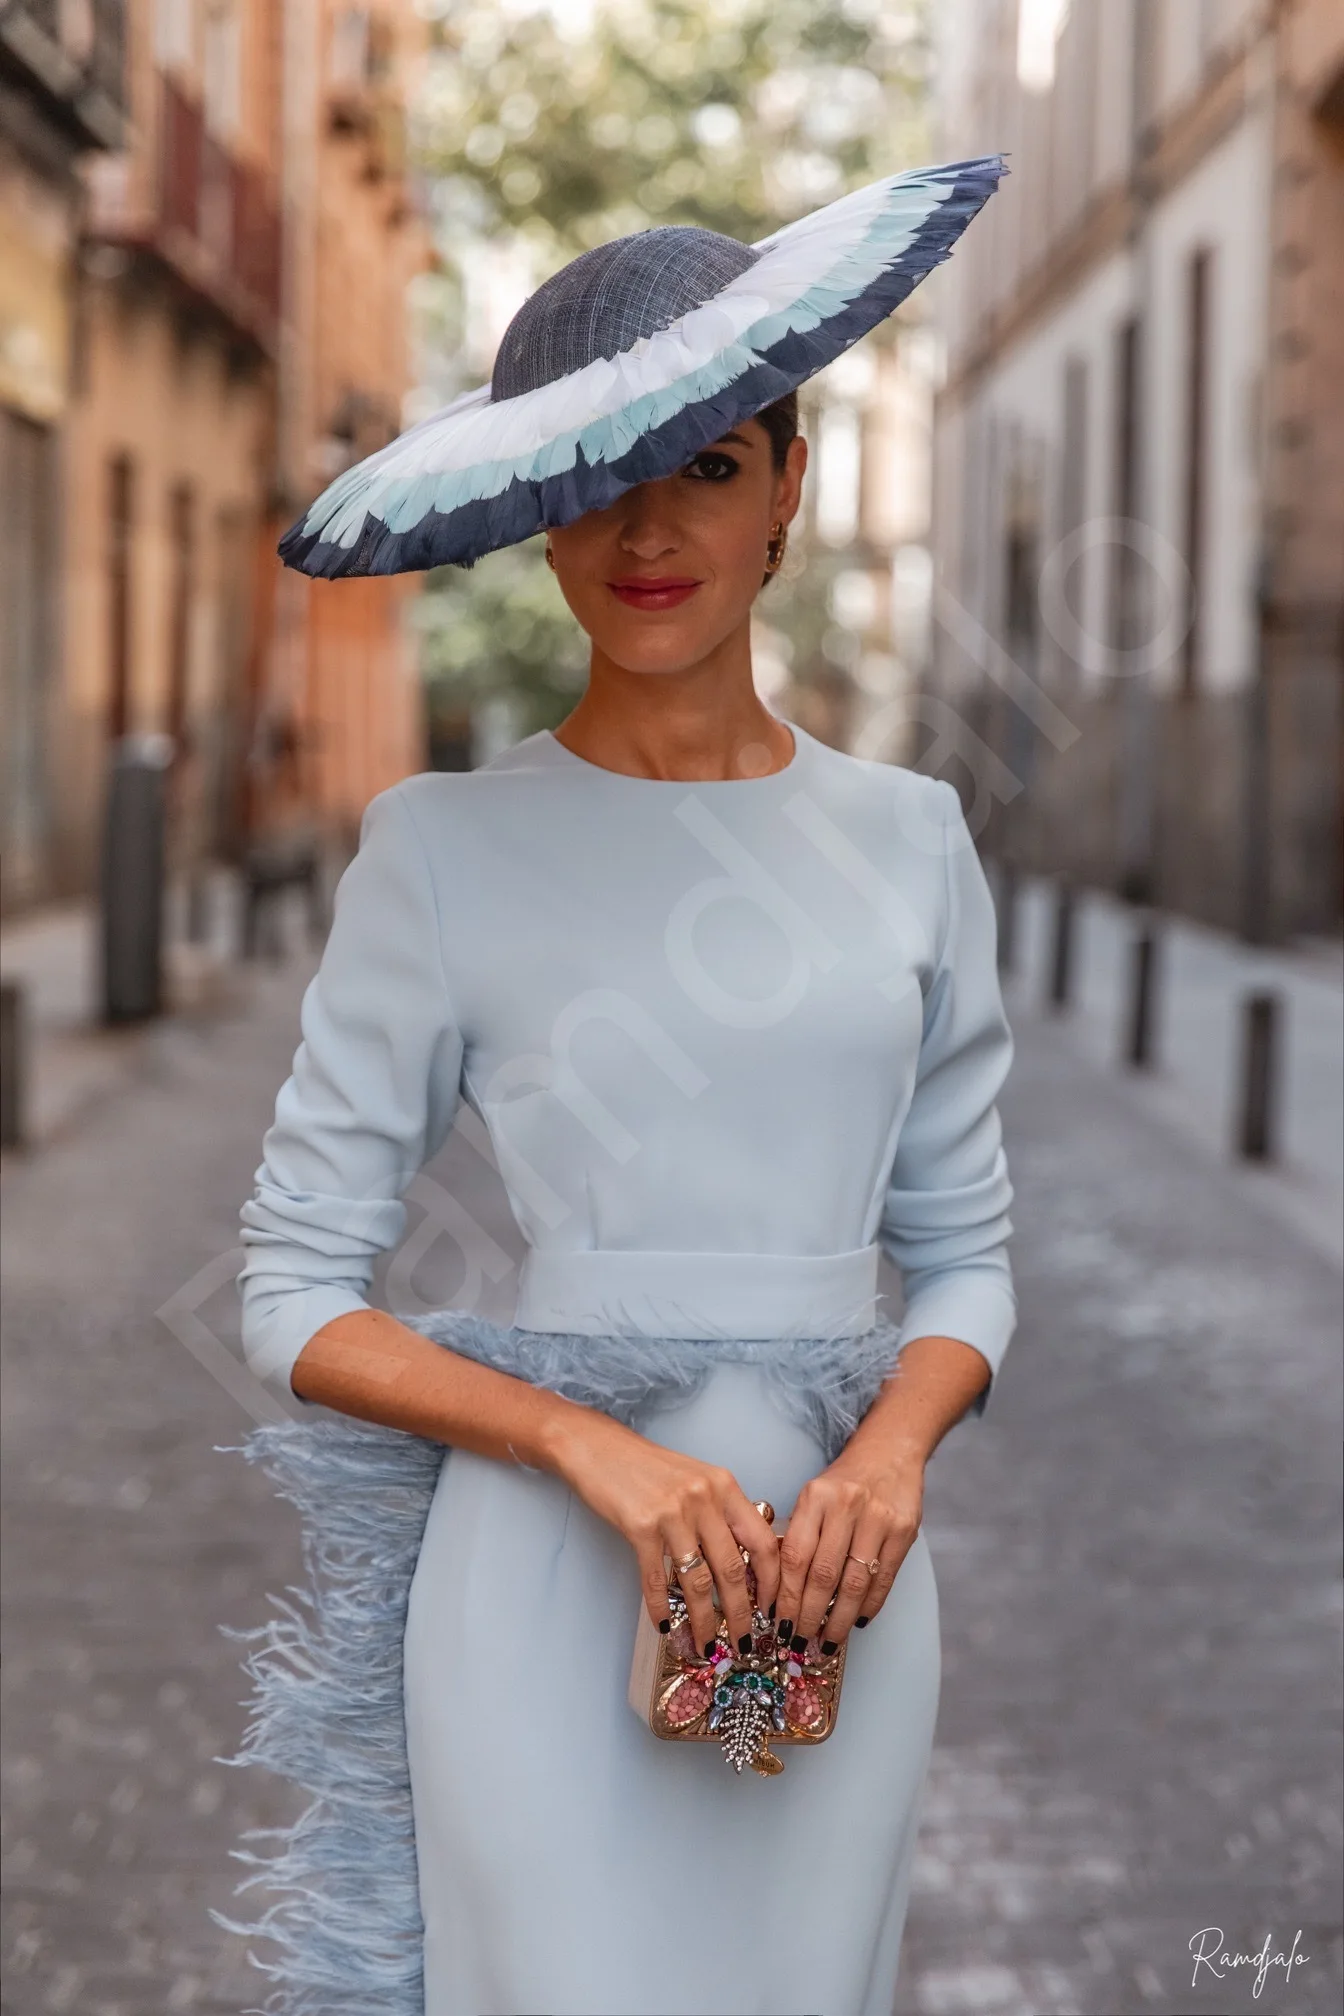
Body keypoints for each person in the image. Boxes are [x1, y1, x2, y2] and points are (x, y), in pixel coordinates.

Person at [218, 157, 1016, 2016]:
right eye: (600, 484)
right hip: (538, 1592)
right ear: (541, 525)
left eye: (712, 468)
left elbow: (967, 1260)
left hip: (835, 1601)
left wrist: (890, 1457)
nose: (650, 530)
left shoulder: (911, 842)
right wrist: (587, 1445)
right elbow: (291, 1294)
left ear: (789, 494)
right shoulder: (437, 849)